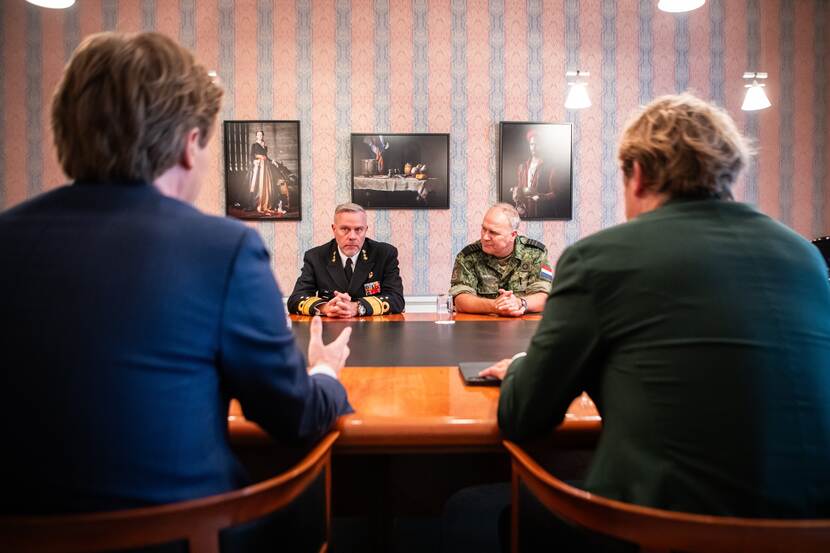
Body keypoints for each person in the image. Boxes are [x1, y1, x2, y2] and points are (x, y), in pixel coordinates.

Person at [0, 32, 352, 515]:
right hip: (180, 538)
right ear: (190, 146)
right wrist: (325, 372)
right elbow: (294, 418)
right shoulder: (225, 248)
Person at [482, 93, 830, 521]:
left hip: (655, 533)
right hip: (804, 530)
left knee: (475, 510)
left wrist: (519, 364)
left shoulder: (599, 259)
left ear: (639, 175)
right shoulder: (805, 258)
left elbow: (524, 417)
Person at [288, 202, 404, 317]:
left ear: (366, 230)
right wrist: (325, 308)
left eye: (358, 229)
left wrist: (358, 307)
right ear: (334, 229)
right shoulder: (316, 257)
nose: (352, 236)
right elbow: (296, 299)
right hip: (331, 329)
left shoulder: (384, 254)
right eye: (345, 229)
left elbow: (396, 299)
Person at [449, 203, 552, 317]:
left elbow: (544, 296)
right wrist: (496, 306)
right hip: (481, 327)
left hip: (525, 327)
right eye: (484, 229)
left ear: (513, 235)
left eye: (493, 232)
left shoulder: (536, 253)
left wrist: (518, 303)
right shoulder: (468, 256)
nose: (485, 237)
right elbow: (460, 300)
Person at [511, 130, 559, 218]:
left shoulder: (550, 167)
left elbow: (556, 194)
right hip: (526, 215)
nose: (534, 147)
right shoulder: (522, 167)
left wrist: (541, 197)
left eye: (537, 144)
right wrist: (517, 197)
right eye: (532, 144)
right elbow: (521, 191)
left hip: (543, 214)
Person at [247, 130, 284, 214]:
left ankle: (266, 201)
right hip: (258, 166)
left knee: (266, 184)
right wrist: (254, 161)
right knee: (257, 184)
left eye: (261, 135)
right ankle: (256, 202)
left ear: (263, 136)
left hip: (265, 166)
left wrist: (273, 161)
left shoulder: (265, 146)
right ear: (256, 136)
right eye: (258, 134)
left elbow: (266, 157)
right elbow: (251, 156)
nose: (260, 136)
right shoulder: (254, 145)